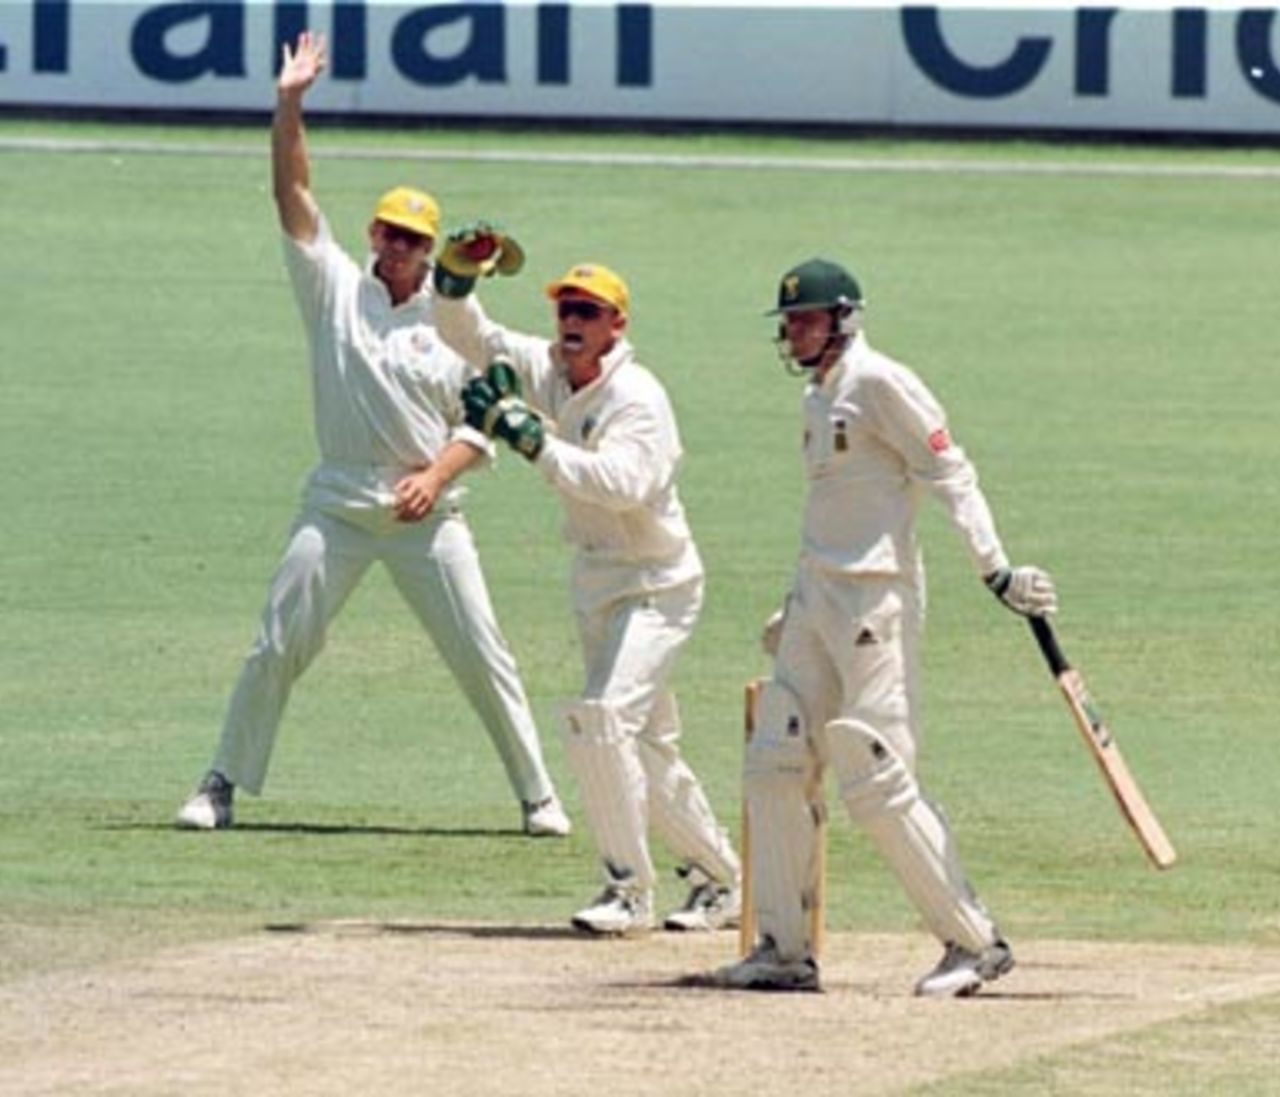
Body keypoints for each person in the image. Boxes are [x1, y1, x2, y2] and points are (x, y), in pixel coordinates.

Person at [175, 32, 569, 839]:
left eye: (413, 239)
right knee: (277, 643)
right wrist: (289, 103)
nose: (397, 247)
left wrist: (436, 475)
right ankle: (220, 783)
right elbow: (292, 191)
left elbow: (484, 417)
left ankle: (538, 796)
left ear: (431, 250)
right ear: (373, 233)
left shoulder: (455, 319)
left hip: (429, 514)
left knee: (483, 654)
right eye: (389, 232)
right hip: (338, 501)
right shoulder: (332, 286)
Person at [710, 258, 1057, 995]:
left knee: (877, 774)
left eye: (807, 319)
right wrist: (797, 604)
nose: (795, 333)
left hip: (875, 602)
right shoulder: (816, 396)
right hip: (817, 597)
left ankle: (974, 942)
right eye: (789, 323)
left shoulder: (882, 382)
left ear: (843, 319)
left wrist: (996, 568)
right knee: (775, 761)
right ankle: (783, 950)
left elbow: (951, 473)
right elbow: (835, 511)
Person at [428, 226, 742, 934]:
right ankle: (722, 880)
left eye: (587, 312)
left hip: (658, 584)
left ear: (616, 324)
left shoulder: (638, 397)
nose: (571, 321)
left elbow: (621, 485)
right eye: (565, 308)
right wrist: (454, 274)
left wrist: (531, 437)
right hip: (598, 579)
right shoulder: (550, 369)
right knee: (644, 747)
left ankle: (628, 888)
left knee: (599, 721)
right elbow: (467, 334)